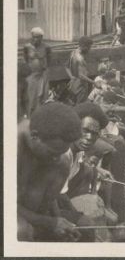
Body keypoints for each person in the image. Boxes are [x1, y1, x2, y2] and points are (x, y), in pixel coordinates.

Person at [17, 102, 83, 242]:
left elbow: (50, 199)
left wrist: (60, 223)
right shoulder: (12, 148)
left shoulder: (58, 159)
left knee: (63, 164)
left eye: (61, 152)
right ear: (35, 136)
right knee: (22, 230)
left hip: (31, 212)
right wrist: (49, 223)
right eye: (52, 153)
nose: (56, 159)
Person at [23, 27, 51, 117]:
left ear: (42, 37)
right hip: (31, 75)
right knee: (31, 97)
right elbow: (26, 60)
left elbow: (49, 61)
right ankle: (30, 117)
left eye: (38, 37)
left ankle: (41, 117)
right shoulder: (27, 47)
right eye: (34, 37)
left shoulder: (46, 47)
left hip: (42, 74)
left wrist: (45, 72)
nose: (36, 39)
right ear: (31, 37)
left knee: (42, 97)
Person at [68, 36, 93, 104]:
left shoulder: (73, 53)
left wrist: (71, 77)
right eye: (89, 47)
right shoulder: (80, 58)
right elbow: (81, 76)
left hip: (73, 85)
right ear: (84, 46)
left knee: (73, 104)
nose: (89, 49)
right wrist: (93, 82)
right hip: (81, 86)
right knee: (80, 106)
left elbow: (66, 66)